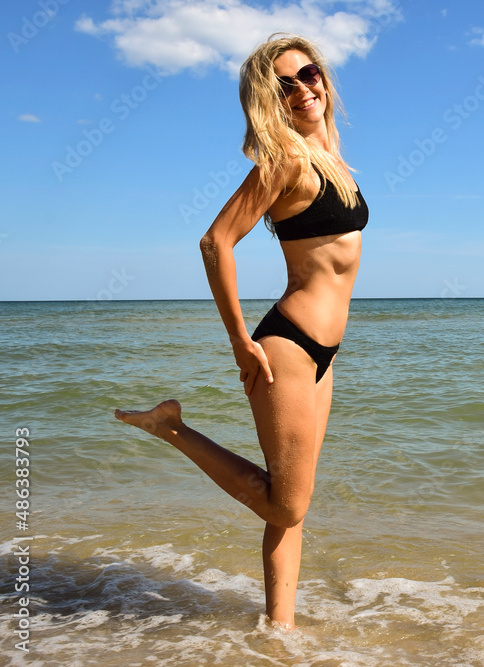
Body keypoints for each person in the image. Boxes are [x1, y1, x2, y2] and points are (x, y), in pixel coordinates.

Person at [114, 33, 368, 630]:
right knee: (287, 501)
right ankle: (171, 427)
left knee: (289, 506)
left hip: (324, 353)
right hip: (289, 347)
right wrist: (239, 338)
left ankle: (280, 632)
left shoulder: (328, 149)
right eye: (286, 85)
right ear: (270, 100)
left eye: (309, 74)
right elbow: (216, 241)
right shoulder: (285, 162)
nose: (305, 89)